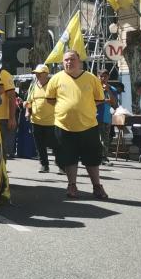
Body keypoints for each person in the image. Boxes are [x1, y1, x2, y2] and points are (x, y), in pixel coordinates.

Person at [45, 50, 108, 199]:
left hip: (88, 126)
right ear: (62, 62)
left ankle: (97, 186)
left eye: (72, 59)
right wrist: (67, 108)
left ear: (79, 61)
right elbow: (50, 99)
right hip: (64, 126)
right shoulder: (56, 79)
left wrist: (82, 107)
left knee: (92, 158)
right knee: (68, 158)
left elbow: (99, 99)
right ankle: (72, 185)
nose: (69, 62)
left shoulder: (91, 78)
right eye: (66, 60)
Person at [25, 64, 56, 173]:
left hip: (52, 122)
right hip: (36, 121)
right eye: (36, 73)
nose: (37, 75)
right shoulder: (33, 85)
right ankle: (44, 165)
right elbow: (29, 101)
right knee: (40, 145)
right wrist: (27, 112)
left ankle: (61, 165)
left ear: (46, 74)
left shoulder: (52, 85)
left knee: (55, 145)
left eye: (39, 73)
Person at [97, 69, 118, 164]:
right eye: (101, 76)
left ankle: (104, 157)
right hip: (95, 117)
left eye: (105, 76)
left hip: (106, 117)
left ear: (108, 77)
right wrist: (105, 101)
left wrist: (108, 90)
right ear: (98, 77)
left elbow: (114, 104)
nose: (103, 78)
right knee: (96, 138)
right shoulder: (95, 88)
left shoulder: (113, 89)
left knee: (105, 139)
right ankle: (96, 156)